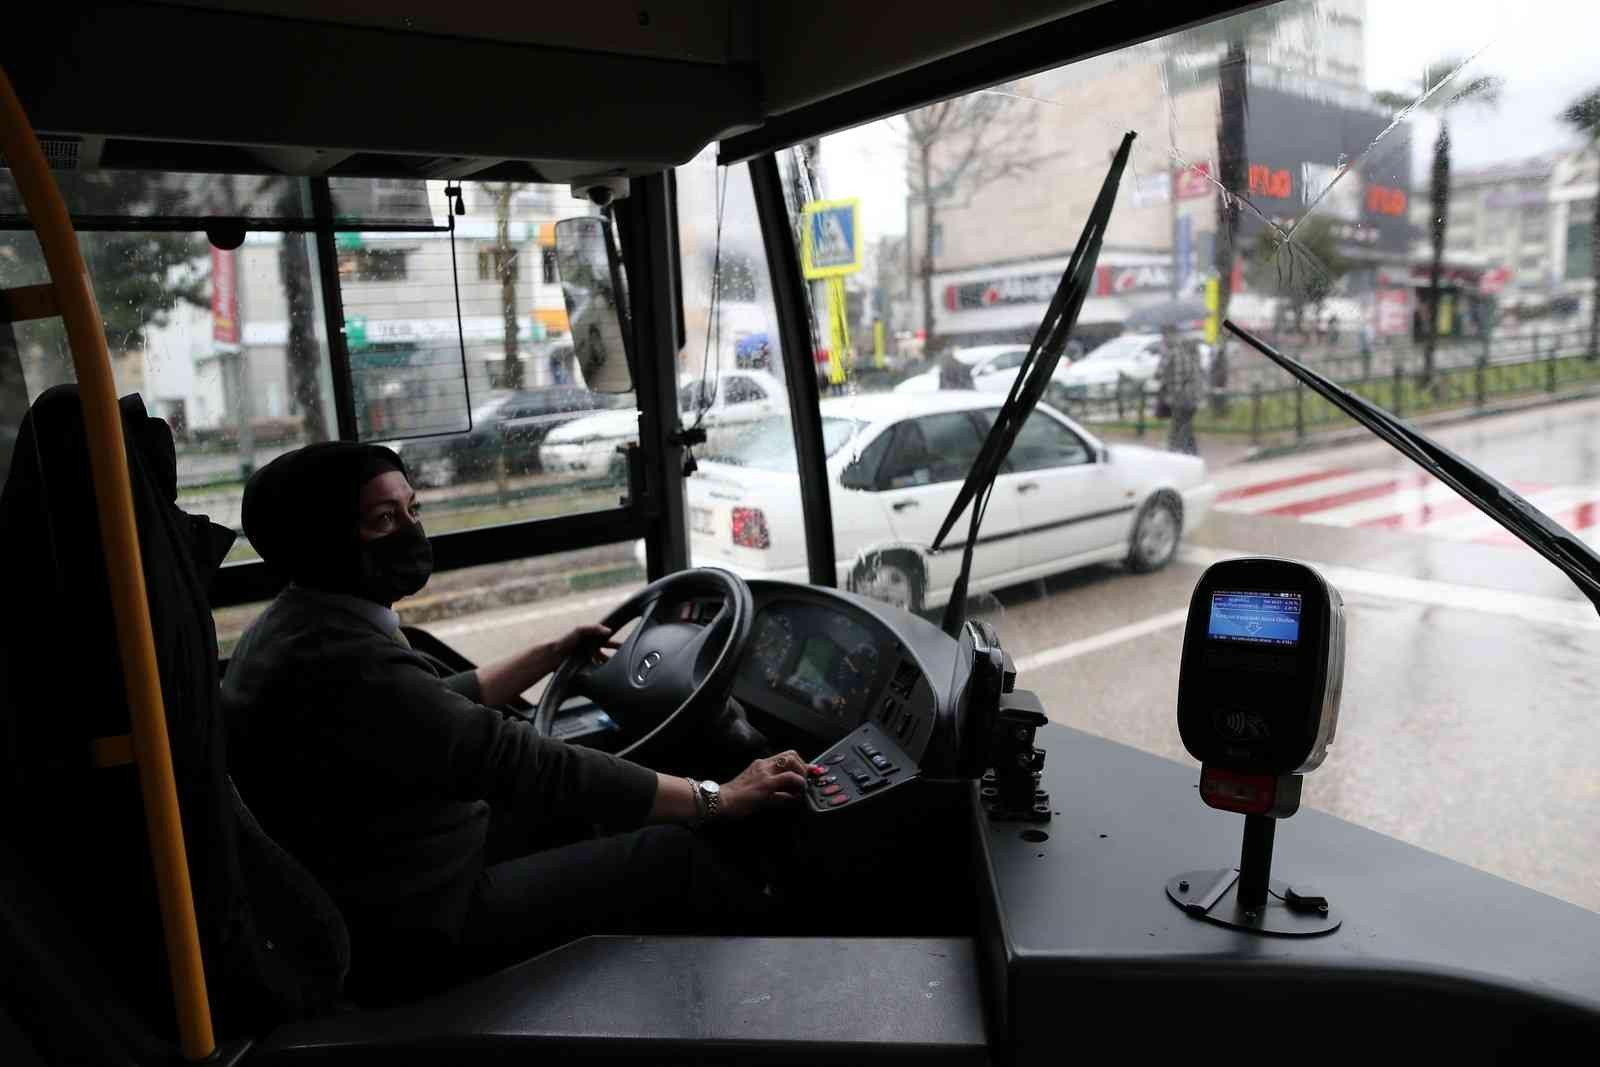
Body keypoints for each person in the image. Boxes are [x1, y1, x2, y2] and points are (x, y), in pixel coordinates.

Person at [222, 442, 808, 1002]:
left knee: (591, 817)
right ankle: (794, 994)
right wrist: (720, 798)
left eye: (413, 508)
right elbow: (517, 758)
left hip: (397, 869)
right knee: (674, 857)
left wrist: (551, 652)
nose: (410, 529)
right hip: (420, 923)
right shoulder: (342, 659)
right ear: (323, 541)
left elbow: (431, 706)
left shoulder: (296, 624)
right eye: (383, 518)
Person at [1156, 331, 1202, 456]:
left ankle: (1175, 453)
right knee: (1185, 425)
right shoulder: (1193, 354)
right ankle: (1190, 452)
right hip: (1193, 396)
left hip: (1178, 397)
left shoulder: (1171, 353)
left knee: (1178, 427)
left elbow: (1158, 373)